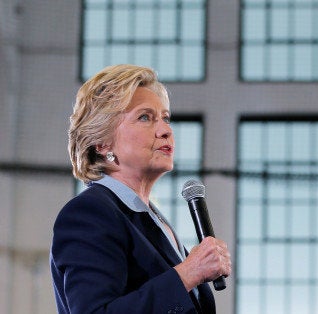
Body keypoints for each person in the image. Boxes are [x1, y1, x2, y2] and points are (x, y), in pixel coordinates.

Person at [50, 64, 231, 313]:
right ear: (102, 142)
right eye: (145, 117)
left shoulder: (150, 219)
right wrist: (189, 273)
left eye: (165, 118)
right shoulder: (88, 214)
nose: (165, 130)